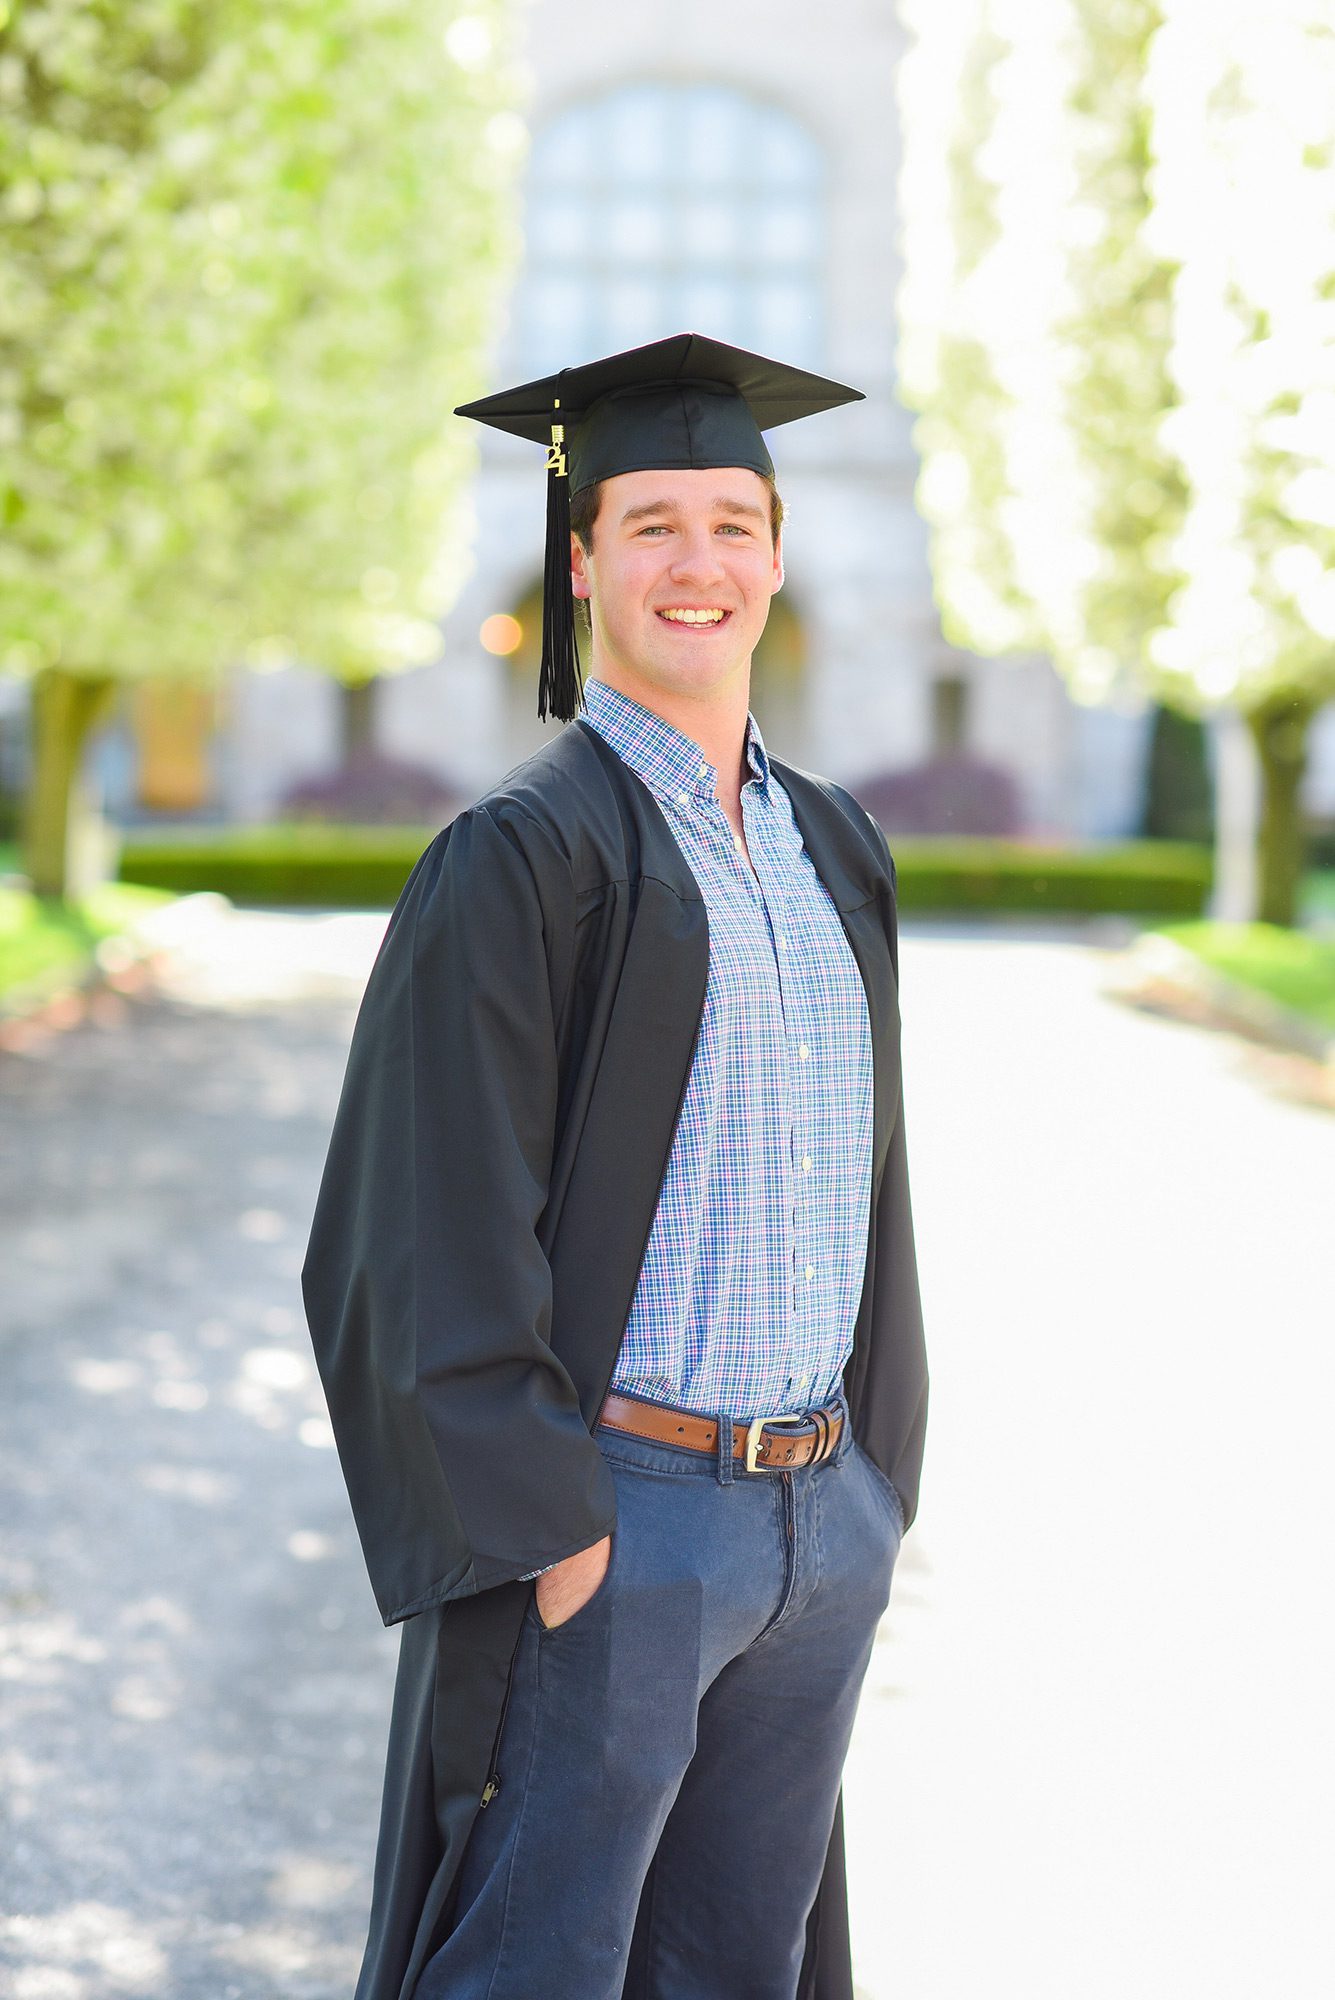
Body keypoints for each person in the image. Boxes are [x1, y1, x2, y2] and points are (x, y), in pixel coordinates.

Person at [301, 331, 928, 2000]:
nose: (697, 563)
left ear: (780, 557)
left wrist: (872, 1492)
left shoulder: (833, 847)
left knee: (740, 1967)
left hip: (816, 1524)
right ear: (581, 564)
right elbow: (416, 1223)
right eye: (653, 523)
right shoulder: (522, 857)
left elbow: (872, 1185)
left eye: (734, 521)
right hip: (622, 1529)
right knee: (539, 1967)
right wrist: (550, 1525)